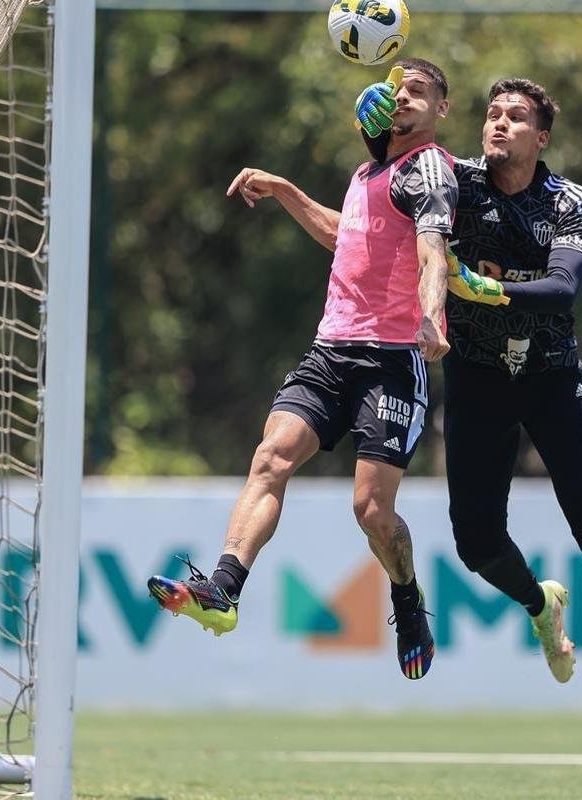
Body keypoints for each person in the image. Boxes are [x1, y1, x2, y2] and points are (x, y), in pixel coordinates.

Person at [356, 74, 582, 738]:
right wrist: (374, 126)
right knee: (475, 545)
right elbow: (394, 174)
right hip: (477, 381)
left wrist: (482, 290)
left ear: (543, 137)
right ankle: (541, 606)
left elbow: (562, 288)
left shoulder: (567, 200)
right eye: (492, 114)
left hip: (553, 379)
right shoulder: (458, 184)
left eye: (516, 117)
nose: (499, 124)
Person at [147, 59, 458, 682]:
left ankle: (407, 598)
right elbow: (349, 236)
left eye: (419, 93)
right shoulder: (369, 171)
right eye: (398, 90)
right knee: (271, 457)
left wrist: (432, 317)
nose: (405, 99)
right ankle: (224, 592)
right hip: (331, 350)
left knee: (371, 510)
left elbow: (433, 253)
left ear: (441, 111)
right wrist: (287, 190)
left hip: (392, 360)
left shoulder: (429, 168)